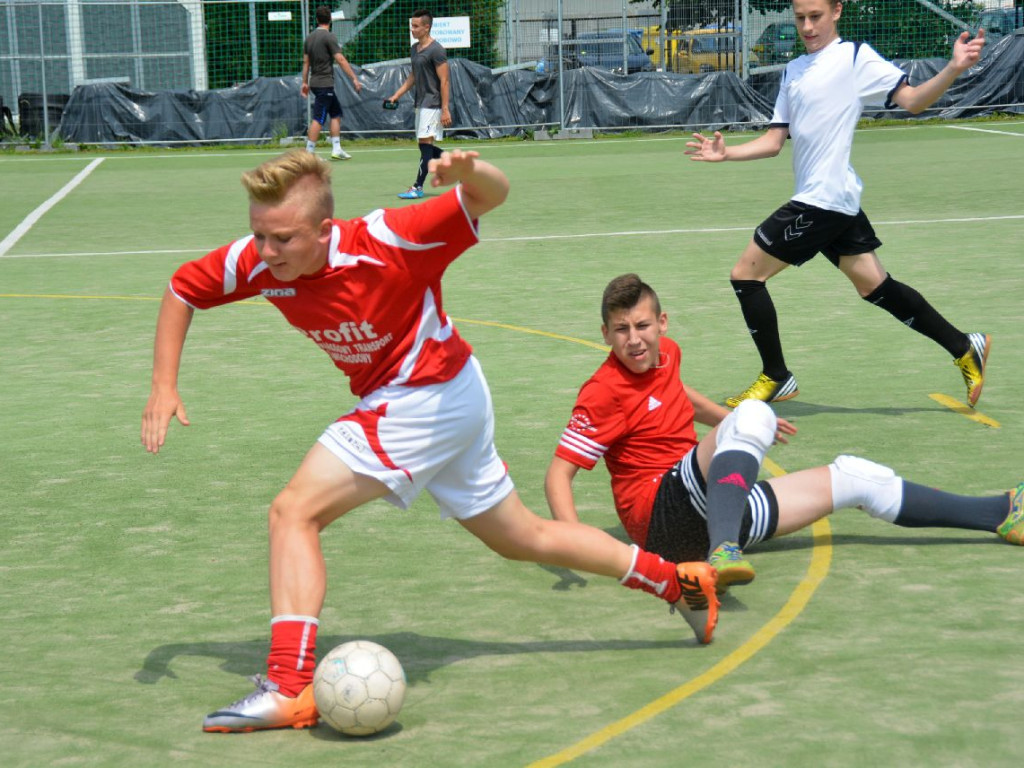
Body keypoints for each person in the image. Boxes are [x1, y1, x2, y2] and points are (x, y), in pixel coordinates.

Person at [141, 151, 720, 734]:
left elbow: (492, 194)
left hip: (427, 396)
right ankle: (679, 581)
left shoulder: (390, 238)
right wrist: (164, 383)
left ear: (323, 230)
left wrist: (469, 171)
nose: (266, 252)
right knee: (525, 538)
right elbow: (182, 289)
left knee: (294, 512)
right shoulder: (257, 259)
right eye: (259, 234)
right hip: (448, 397)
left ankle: (289, 685)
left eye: (283, 239)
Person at [545, 273, 1024, 597]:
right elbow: (558, 475)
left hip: (708, 508)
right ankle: (724, 548)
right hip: (660, 521)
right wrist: (579, 546)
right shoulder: (603, 390)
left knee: (856, 477)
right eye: (621, 329)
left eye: (643, 325)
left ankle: (1000, 513)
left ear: (662, 323)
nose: (635, 339)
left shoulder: (666, 352)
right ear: (605, 333)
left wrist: (725, 426)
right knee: (754, 411)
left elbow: (677, 395)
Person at [685, 0, 990, 409]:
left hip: (822, 201)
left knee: (746, 276)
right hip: (834, 198)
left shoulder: (854, 57)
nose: (807, 26)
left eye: (815, 16)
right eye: (799, 18)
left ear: (837, 12)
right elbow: (775, 142)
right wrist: (727, 154)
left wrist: (954, 67)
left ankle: (776, 376)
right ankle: (963, 345)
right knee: (875, 286)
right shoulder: (794, 71)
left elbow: (914, 101)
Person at [385, 9, 451, 199]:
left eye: (415, 26)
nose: (412, 29)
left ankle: (417, 187)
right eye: (411, 25)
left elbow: (444, 81)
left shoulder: (437, 50)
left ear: (426, 27)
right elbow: (413, 76)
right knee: (425, 146)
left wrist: (445, 109)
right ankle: (461, 170)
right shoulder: (415, 49)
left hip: (433, 103)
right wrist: (396, 95)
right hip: (421, 103)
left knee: (425, 144)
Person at [301, 5, 362, 161]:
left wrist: (304, 82)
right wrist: (354, 78)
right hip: (324, 84)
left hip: (315, 83)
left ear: (316, 20)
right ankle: (309, 153)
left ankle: (336, 148)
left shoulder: (309, 38)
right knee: (318, 119)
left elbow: (306, 63)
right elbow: (340, 59)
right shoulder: (329, 37)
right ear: (330, 20)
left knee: (336, 113)